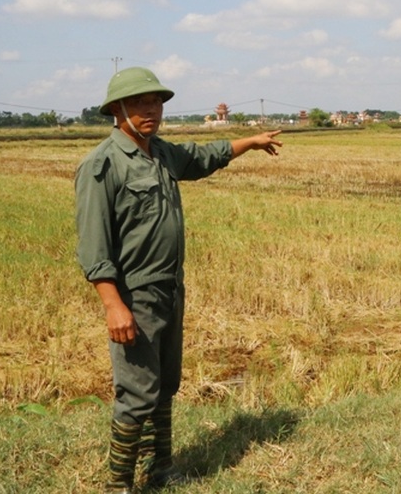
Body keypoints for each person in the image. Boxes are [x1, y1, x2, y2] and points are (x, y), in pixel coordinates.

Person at [74, 67, 282, 493]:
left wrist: (252, 142)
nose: (151, 110)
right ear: (117, 110)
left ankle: (161, 468)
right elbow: (94, 248)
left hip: (171, 288)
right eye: (140, 103)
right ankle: (118, 484)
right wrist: (114, 304)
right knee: (137, 392)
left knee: (165, 385)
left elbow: (203, 156)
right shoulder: (101, 166)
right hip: (135, 295)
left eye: (157, 103)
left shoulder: (161, 153)